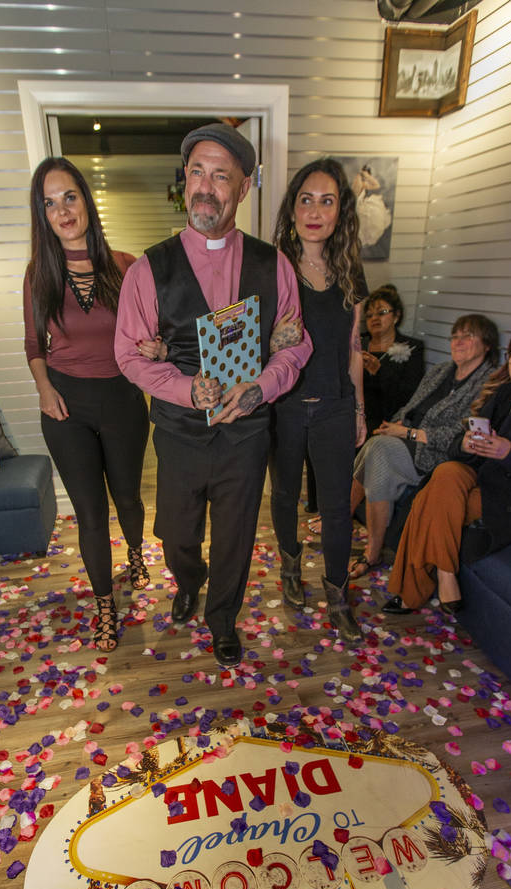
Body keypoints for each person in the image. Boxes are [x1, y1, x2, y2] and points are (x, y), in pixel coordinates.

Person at [115, 123, 312, 667]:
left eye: (220, 175)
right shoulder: (148, 269)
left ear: (243, 188)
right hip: (179, 433)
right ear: (184, 181)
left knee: (236, 534)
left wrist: (262, 385)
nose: (205, 186)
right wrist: (183, 388)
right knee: (177, 532)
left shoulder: (274, 264)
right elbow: (129, 356)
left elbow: (297, 344)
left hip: (247, 434)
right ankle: (188, 578)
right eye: (197, 172)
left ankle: (222, 617)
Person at [23, 156, 150, 653]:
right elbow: (35, 345)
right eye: (50, 204)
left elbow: (149, 332)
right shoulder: (39, 274)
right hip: (65, 407)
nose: (62, 210)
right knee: (90, 512)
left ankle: (137, 554)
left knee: (128, 498)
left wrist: (154, 349)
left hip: (121, 399)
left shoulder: (126, 266)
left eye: (69, 197)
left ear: (85, 201)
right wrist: (44, 388)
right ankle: (104, 604)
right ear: (44, 216)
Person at [383, 322, 511, 614]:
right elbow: (459, 448)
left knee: (428, 502)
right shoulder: (502, 392)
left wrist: (509, 452)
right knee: (447, 472)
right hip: (477, 476)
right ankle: (446, 573)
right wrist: (464, 444)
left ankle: (413, 592)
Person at [268, 157, 367, 644]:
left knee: (334, 507)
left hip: (334, 406)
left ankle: (338, 593)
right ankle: (290, 570)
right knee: (284, 494)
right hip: (284, 407)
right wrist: (271, 343)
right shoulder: (272, 268)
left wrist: (359, 410)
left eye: (326, 200)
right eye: (306, 198)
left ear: (339, 211)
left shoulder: (351, 271)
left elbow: (354, 347)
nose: (315, 210)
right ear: (292, 208)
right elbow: (245, 343)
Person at [349, 314, 498, 579]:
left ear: (487, 344)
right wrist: (394, 423)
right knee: (375, 442)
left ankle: (370, 550)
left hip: (436, 454)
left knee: (379, 449)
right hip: (407, 438)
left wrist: (407, 432)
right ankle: (343, 518)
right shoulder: (442, 370)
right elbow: (411, 406)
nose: (458, 342)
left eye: (467, 336)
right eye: (455, 336)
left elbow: (461, 434)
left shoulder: (490, 383)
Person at [361, 284, 424, 436]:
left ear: (396, 315)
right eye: (369, 315)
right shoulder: (357, 344)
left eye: (381, 313)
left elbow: (410, 396)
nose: (374, 318)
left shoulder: (412, 347)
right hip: (353, 414)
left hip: (387, 419)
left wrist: (379, 372)